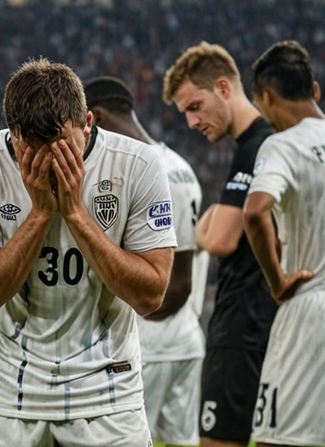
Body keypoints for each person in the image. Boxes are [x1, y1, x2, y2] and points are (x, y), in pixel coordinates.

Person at [0, 58, 177, 446]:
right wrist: (39, 215)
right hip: (8, 393)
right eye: (33, 151)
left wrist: (74, 213)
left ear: (88, 124)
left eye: (62, 148)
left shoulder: (138, 164)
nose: (49, 164)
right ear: (13, 135)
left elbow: (151, 296)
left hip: (109, 394)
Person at [163, 41, 278, 447]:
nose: (192, 121)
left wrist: (206, 224)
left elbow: (220, 239)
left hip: (241, 327)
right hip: (272, 326)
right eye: (185, 113)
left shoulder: (254, 148)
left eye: (195, 106)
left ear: (224, 88)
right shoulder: (274, 142)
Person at [85, 76, 207, 447]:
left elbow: (177, 284)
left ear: (97, 118)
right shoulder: (178, 164)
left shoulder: (146, 169)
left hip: (150, 345)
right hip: (185, 341)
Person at [243, 40, 323, 446]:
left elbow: (255, 212)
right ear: (315, 91)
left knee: (282, 436)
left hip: (310, 306)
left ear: (267, 98)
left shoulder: (282, 144)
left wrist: (276, 281)